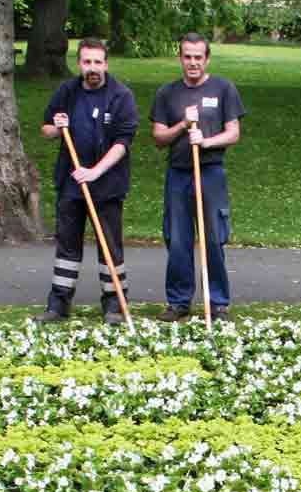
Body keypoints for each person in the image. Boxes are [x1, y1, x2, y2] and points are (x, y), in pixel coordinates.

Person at [33, 38, 139, 325]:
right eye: (86, 62)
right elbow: (45, 129)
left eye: (97, 62)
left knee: (109, 246)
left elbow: (122, 143)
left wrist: (95, 171)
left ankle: (115, 305)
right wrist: (57, 128)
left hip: (107, 185)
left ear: (105, 63)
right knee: (67, 246)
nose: (92, 67)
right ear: (79, 63)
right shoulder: (67, 91)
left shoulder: (121, 96)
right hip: (71, 185)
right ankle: (58, 305)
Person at [151, 33, 245, 322]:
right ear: (180, 58)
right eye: (187, 56)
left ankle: (217, 303)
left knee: (213, 237)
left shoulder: (223, 89)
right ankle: (179, 302)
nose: (193, 62)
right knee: (177, 239)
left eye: (198, 57)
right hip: (179, 174)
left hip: (210, 172)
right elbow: (158, 137)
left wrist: (205, 141)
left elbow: (234, 133)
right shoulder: (167, 93)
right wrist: (182, 125)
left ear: (206, 59)